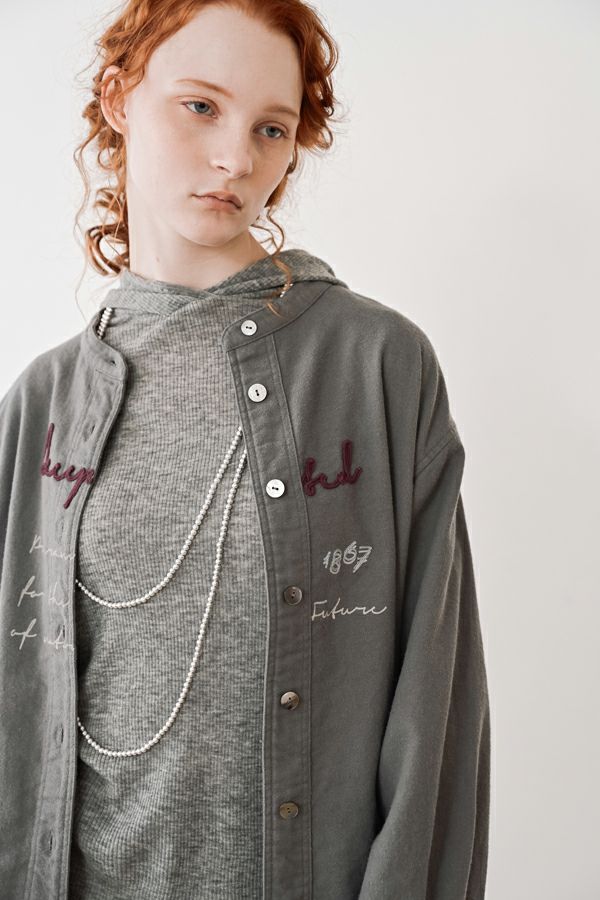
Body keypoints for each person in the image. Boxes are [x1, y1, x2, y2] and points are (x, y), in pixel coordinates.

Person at [0, 1, 491, 898]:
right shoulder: (42, 405)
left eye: (271, 127)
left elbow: (437, 721)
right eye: (200, 107)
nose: (235, 159)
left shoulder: (376, 368)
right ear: (117, 99)